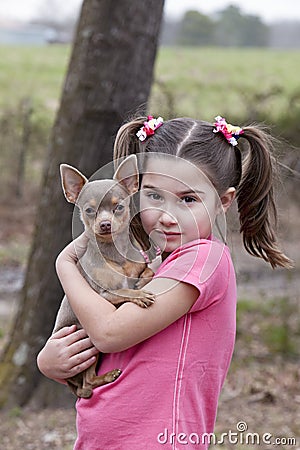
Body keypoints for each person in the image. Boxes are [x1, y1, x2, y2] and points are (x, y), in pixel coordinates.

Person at [37, 115, 292, 449]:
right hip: (101, 437)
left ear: (224, 201)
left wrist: (65, 264)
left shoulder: (203, 260)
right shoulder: (156, 260)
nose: (168, 216)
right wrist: (51, 360)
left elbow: (109, 332)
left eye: (188, 200)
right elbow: (103, 339)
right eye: (155, 197)